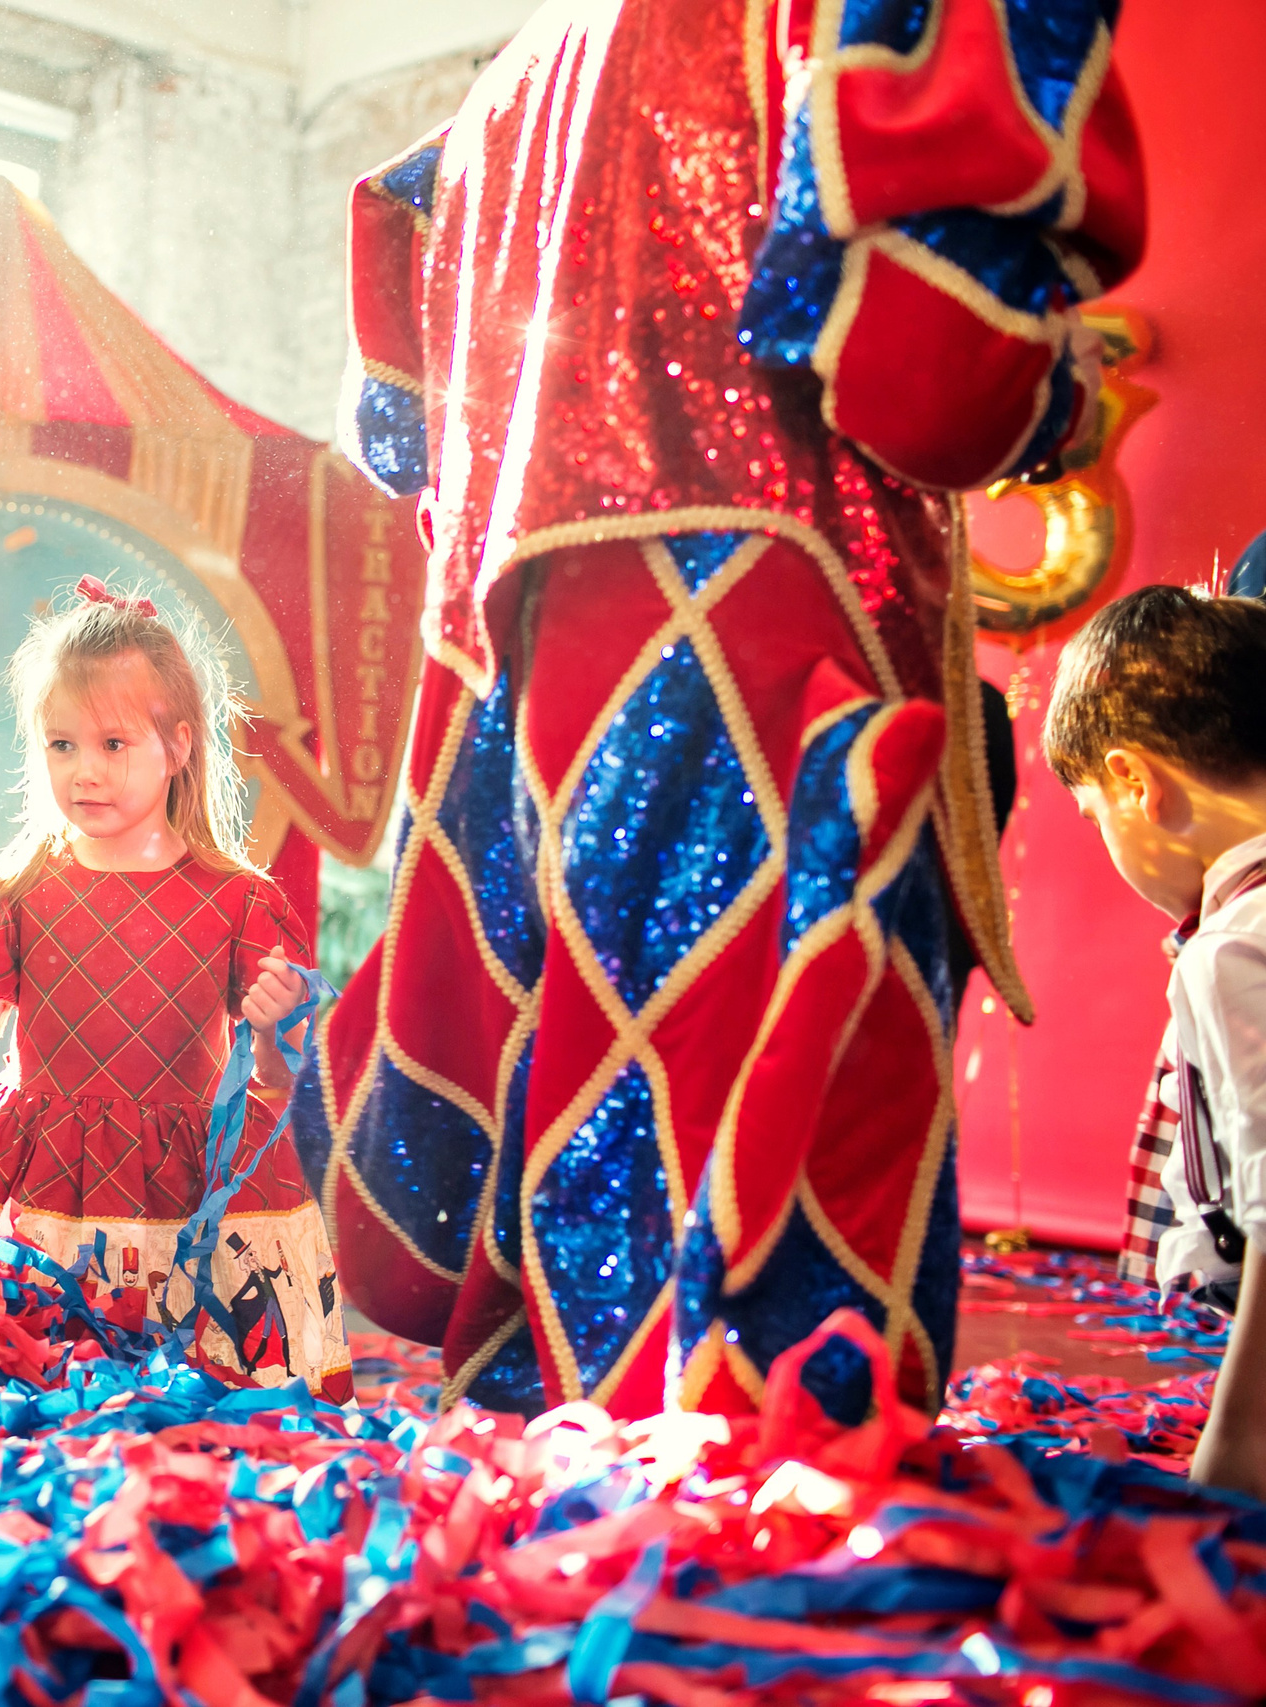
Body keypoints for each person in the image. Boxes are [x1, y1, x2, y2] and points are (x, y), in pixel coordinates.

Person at [298, 0, 1143, 1421]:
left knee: (574, 1051)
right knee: (762, 1054)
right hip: (771, 606)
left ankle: (562, 1473)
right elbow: (935, 366)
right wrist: (1066, 398)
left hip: (525, 659)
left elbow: (394, 436)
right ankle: (745, 1504)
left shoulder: (509, 82)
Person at [0, 576, 349, 1397]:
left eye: (114, 744)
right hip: (40, 1174)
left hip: (186, 1183)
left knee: (183, 1389)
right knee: (30, 1380)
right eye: (62, 745)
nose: (86, 771)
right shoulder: (11, 892)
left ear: (179, 747)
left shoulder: (238, 898)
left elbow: (272, 1081)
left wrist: (274, 1027)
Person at [1044, 585, 1266, 1498]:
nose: (1105, 834)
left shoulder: (1235, 948)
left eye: (1096, 812)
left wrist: (1237, 1452)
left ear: (1137, 782)